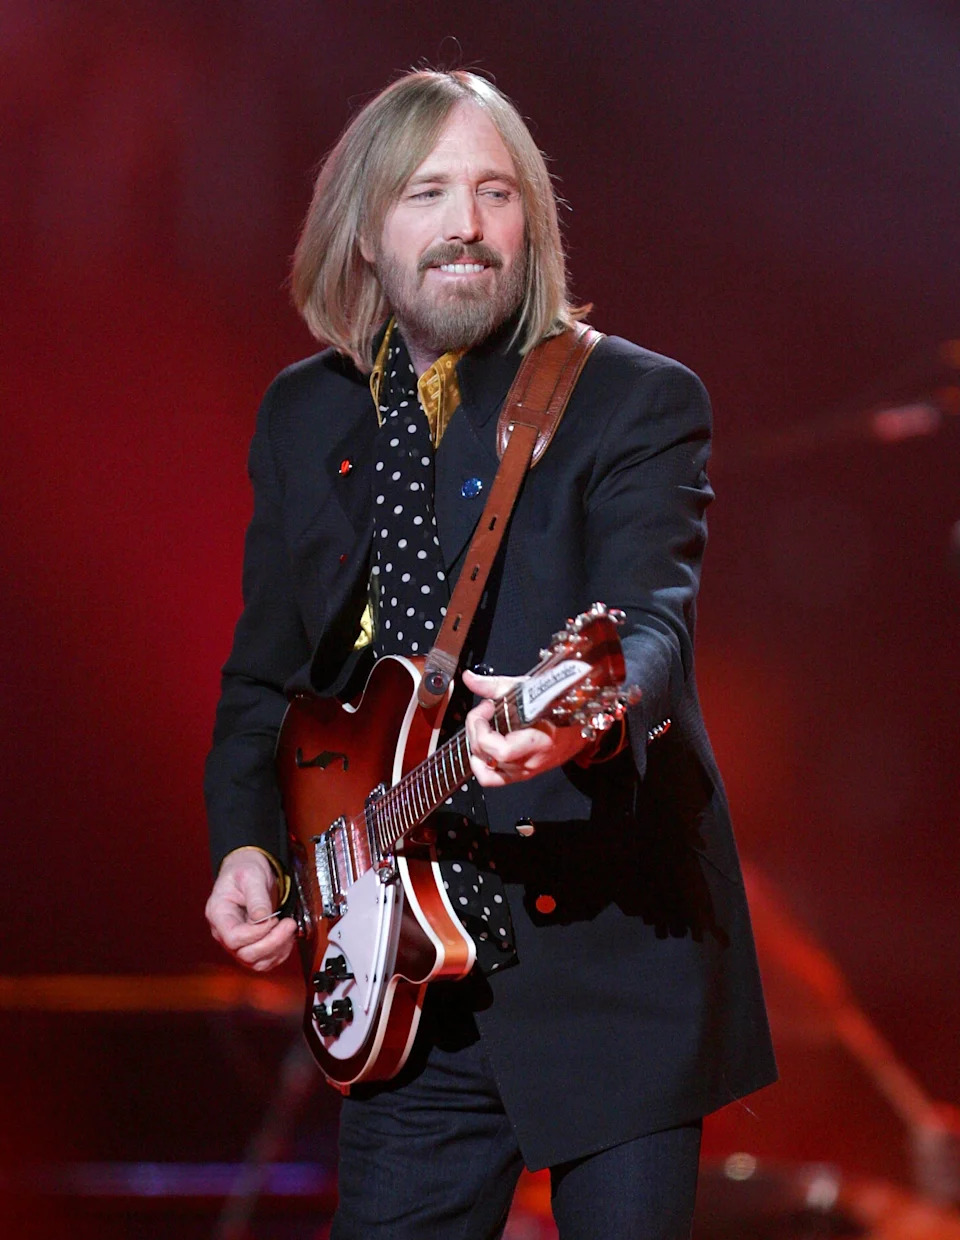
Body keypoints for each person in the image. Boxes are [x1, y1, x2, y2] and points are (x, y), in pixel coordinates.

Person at [204, 68, 776, 1240]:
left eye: (496, 194)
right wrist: (250, 846)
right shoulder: (306, 416)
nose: (467, 224)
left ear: (533, 225)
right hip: (406, 984)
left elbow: (651, 630)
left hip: (613, 961)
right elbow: (269, 675)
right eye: (428, 193)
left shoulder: (633, 401)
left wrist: (577, 710)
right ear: (366, 230)